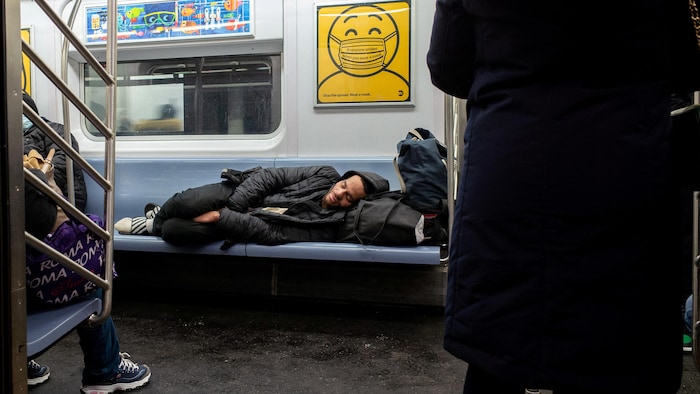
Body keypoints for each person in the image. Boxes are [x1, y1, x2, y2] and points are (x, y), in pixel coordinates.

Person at [427, 1, 700, 393]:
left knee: (499, 343)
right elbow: (688, 64)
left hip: (511, 165)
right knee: (610, 348)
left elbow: (448, 68)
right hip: (621, 165)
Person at [23, 141, 151, 393]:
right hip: (29, 294)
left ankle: (18, 362)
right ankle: (105, 370)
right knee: (89, 280)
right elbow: (45, 218)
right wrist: (41, 177)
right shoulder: (24, 165)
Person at [114, 166, 390, 246]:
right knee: (186, 202)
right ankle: (151, 224)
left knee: (175, 232)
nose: (338, 194)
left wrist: (222, 219)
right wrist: (233, 205)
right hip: (240, 193)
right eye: (343, 186)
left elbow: (276, 235)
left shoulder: (328, 224)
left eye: (348, 198)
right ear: (341, 179)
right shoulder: (324, 175)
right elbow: (272, 177)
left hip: (239, 226)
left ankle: (158, 221)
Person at [22, 92, 87, 211]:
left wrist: (37, 180)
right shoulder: (12, 138)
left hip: (62, 196)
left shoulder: (54, 130)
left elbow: (63, 162)